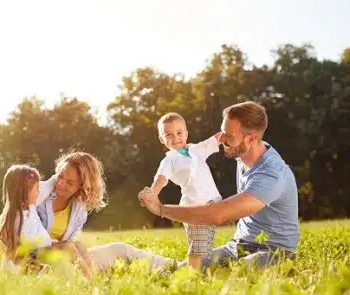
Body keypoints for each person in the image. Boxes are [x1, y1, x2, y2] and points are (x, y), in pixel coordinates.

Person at [139, 101, 300, 269]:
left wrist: (161, 210)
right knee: (185, 270)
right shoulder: (243, 154)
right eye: (223, 133)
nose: (222, 140)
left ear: (251, 138)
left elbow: (217, 215)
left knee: (239, 273)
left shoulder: (271, 174)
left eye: (228, 136)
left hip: (274, 251)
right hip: (237, 247)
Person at [36, 151, 175, 273]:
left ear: (82, 186)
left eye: (70, 183)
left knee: (121, 249)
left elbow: (71, 243)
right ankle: (89, 280)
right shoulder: (38, 194)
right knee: (70, 258)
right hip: (38, 261)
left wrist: (84, 258)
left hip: (67, 258)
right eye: (60, 176)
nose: (61, 183)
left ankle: (174, 266)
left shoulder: (78, 209)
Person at [0, 164, 93, 278]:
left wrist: (64, 170)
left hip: (43, 248)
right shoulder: (14, 218)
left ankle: (89, 274)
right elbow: (12, 255)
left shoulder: (31, 208)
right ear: (25, 191)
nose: (40, 192)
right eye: (37, 189)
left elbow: (50, 184)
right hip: (33, 256)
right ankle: (89, 279)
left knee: (76, 245)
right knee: (69, 248)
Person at [150, 111, 223, 270]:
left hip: (212, 202)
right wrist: (152, 193)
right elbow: (161, 179)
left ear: (186, 133)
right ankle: (192, 276)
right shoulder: (169, 160)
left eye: (179, 133)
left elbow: (215, 139)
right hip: (194, 205)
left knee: (205, 244)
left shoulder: (196, 149)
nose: (175, 138)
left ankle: (196, 271)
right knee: (197, 246)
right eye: (169, 134)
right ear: (162, 139)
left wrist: (230, 132)